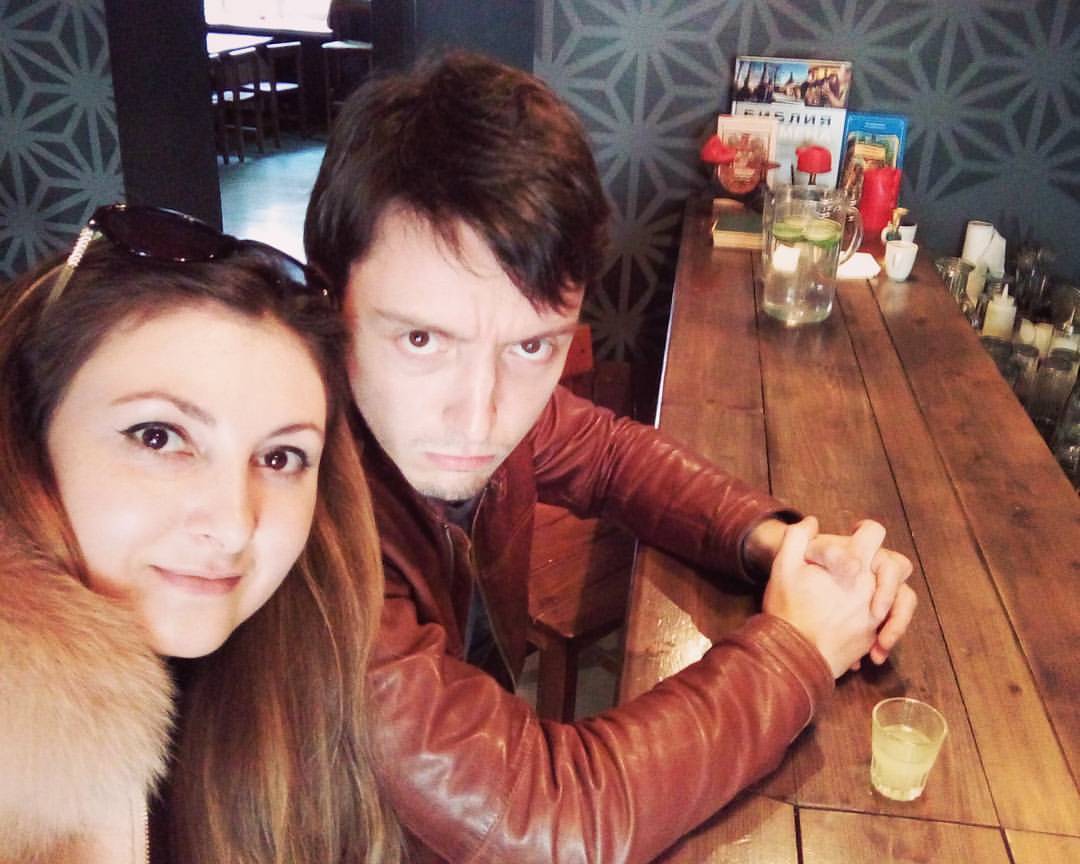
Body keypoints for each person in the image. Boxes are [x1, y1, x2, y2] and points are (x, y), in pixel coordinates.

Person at [304, 51, 917, 862]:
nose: (481, 414)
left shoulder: (483, 413)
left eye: (532, 346)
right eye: (421, 340)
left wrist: (781, 544)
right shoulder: (299, 534)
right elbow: (550, 820)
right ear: (330, 304)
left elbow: (607, 453)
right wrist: (794, 651)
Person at [0, 205, 399, 863]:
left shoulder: (298, 675)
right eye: (158, 437)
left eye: (281, 458)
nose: (233, 525)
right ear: (26, 438)